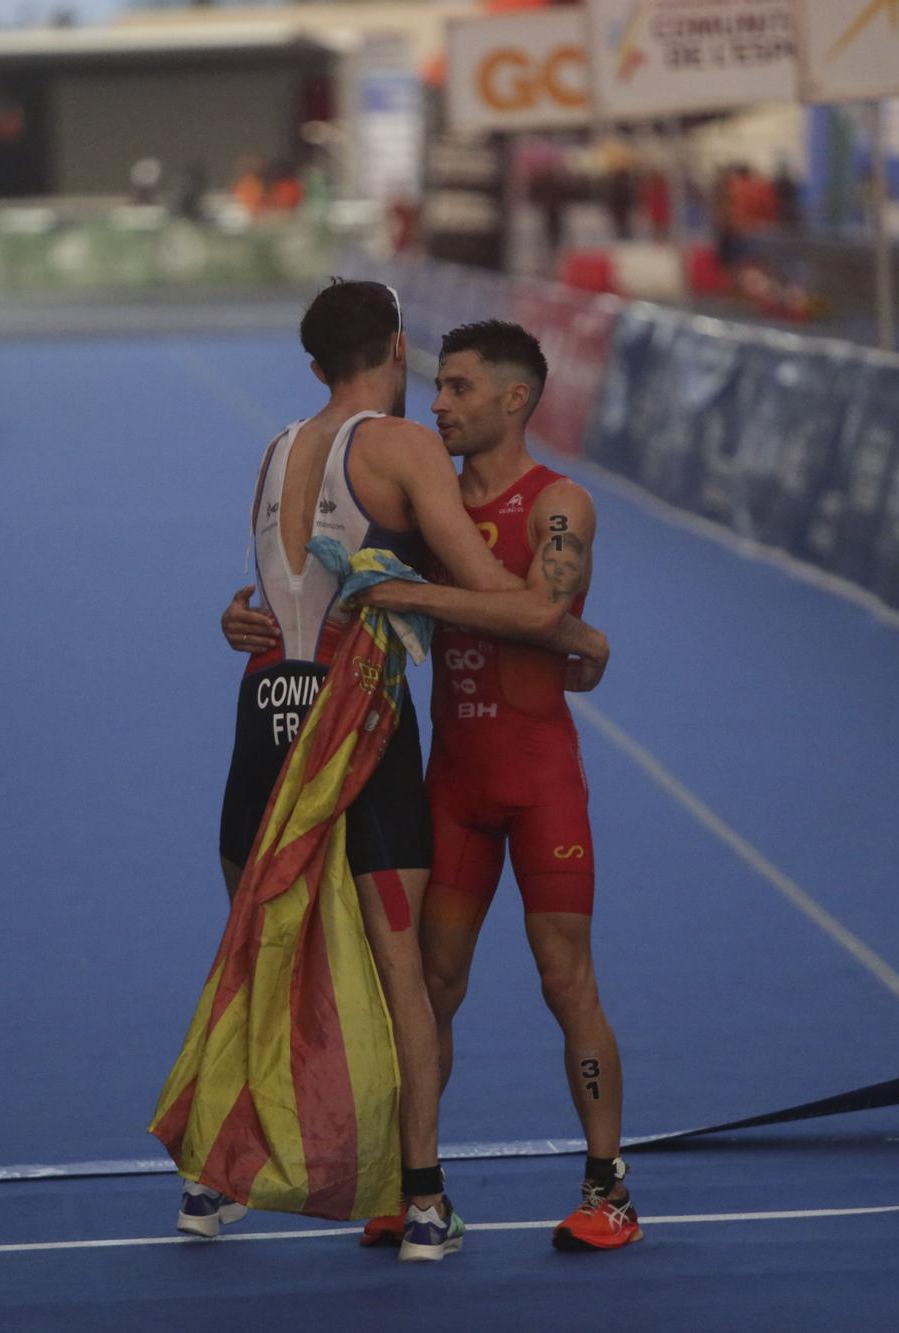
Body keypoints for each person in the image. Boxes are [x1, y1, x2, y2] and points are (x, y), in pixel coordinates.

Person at [200, 281, 610, 1261]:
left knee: (555, 979)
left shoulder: (551, 505)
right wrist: (262, 616)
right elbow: (444, 595)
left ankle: (606, 1182)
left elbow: (287, 600)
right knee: (414, 981)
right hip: (408, 755)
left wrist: (253, 619)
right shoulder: (412, 473)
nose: (435, 400)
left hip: (443, 755)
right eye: (430, 379)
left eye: (458, 388)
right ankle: (415, 1190)